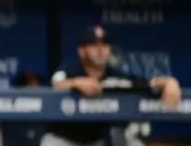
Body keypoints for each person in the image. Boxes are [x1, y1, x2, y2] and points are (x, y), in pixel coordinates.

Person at [42, 26, 181, 146]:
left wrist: (169, 82)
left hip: (98, 142)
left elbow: (146, 84)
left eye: (105, 45)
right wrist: (75, 83)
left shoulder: (115, 76)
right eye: (94, 45)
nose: (101, 50)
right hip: (66, 140)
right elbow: (55, 83)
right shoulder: (71, 70)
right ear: (81, 51)